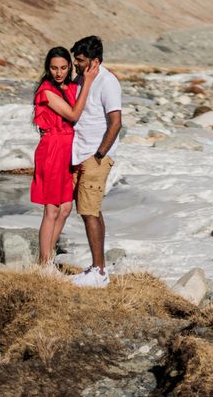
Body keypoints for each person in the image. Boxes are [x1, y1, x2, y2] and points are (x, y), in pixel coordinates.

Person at [31, 45, 99, 268]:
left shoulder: (70, 86)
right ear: (47, 68)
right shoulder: (46, 90)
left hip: (69, 148)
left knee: (66, 208)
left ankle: (48, 257)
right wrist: (88, 81)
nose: (58, 72)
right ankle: (45, 263)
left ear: (69, 66)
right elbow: (73, 114)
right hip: (52, 148)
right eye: (53, 68)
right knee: (51, 208)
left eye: (63, 67)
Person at [68, 35, 123, 287]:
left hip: (95, 155)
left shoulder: (107, 82)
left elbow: (116, 122)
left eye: (80, 60)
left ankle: (99, 272)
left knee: (89, 210)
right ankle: (96, 268)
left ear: (94, 60)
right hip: (79, 151)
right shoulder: (82, 78)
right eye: (75, 60)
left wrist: (100, 155)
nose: (75, 64)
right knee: (90, 210)